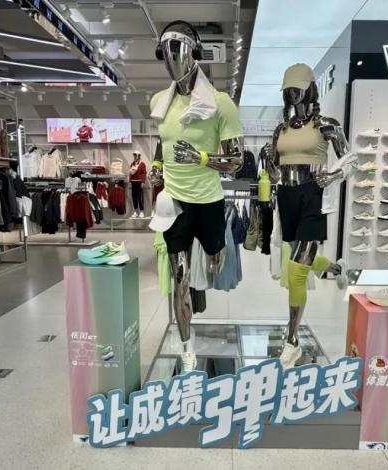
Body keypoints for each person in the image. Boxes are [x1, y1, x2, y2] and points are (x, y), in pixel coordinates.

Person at [148, 21, 243, 373]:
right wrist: (157, 166)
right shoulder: (160, 101)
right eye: (166, 52)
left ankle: (204, 305)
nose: (172, 59)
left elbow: (237, 161)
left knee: (215, 267)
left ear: (195, 53)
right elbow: (165, 141)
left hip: (209, 202)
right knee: (181, 280)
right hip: (174, 201)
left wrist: (200, 158)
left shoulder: (221, 104)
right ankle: (187, 349)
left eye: (179, 50)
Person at [263, 63, 357, 369]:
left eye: (297, 88)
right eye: (287, 90)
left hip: (313, 197)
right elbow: (274, 171)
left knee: (296, 271)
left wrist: (332, 176)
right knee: (302, 259)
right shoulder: (281, 130)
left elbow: (351, 160)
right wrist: (268, 164)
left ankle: (292, 342)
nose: (292, 94)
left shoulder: (326, 125)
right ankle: (335, 267)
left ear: (309, 89)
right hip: (287, 197)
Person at [129, 152, 146, 218]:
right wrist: (130, 181)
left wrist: (143, 182)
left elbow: (144, 173)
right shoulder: (132, 164)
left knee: (140, 197)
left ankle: (141, 211)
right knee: (134, 197)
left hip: (139, 182)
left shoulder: (142, 164)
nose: (135, 157)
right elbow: (130, 173)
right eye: (134, 156)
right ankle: (135, 211)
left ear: (139, 156)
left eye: (136, 156)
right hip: (133, 182)